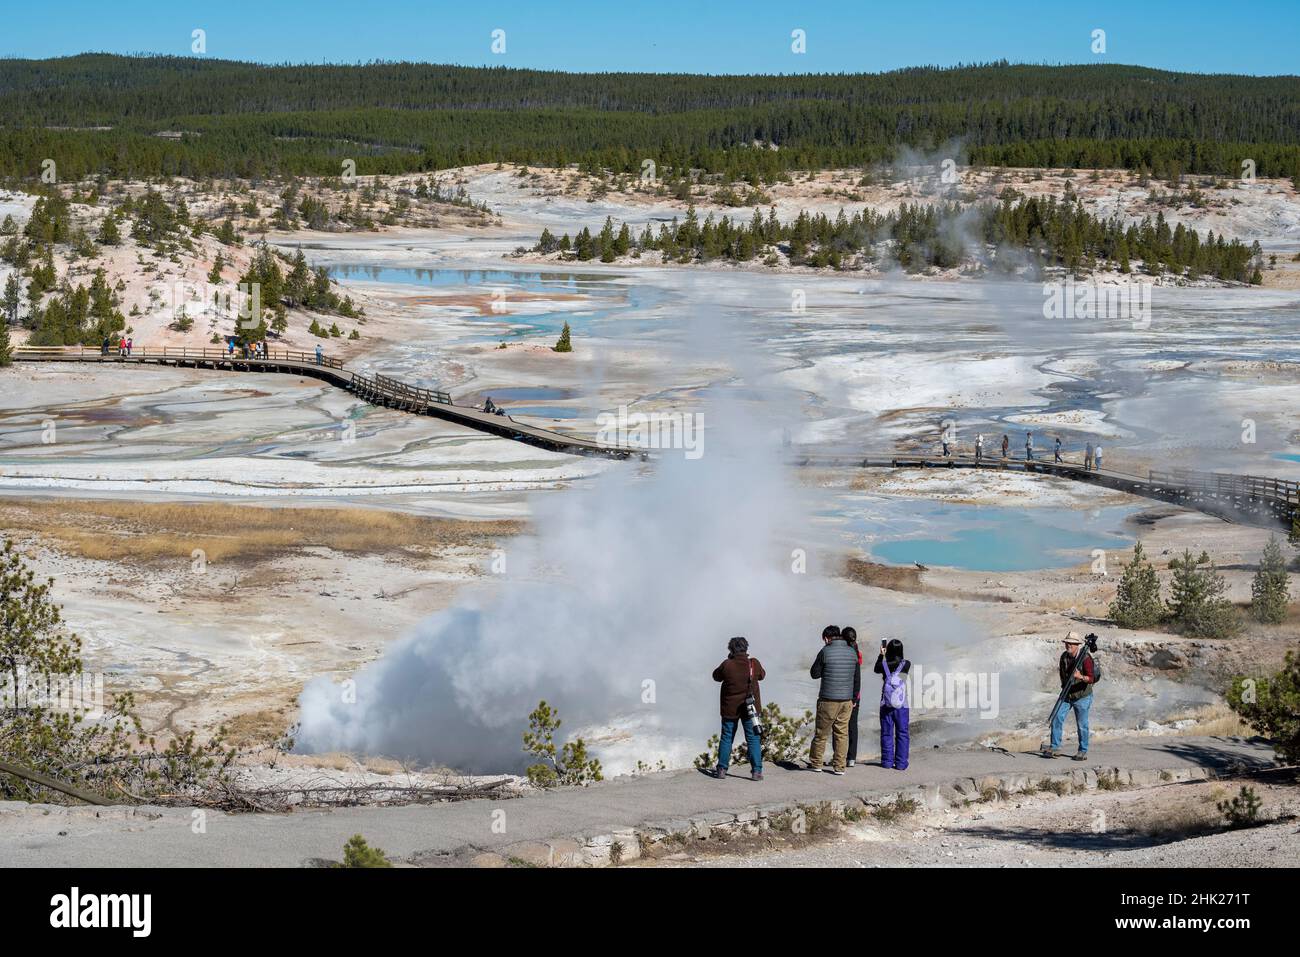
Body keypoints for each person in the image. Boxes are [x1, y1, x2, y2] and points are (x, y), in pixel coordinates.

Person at [710, 636, 765, 781]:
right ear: (746, 648)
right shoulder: (753, 664)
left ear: (731, 649)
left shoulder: (727, 664)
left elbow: (715, 676)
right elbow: (762, 676)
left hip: (730, 709)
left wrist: (729, 660)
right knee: (753, 739)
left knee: (727, 738)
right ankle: (756, 772)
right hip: (750, 709)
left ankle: (722, 769)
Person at [808, 625, 857, 775]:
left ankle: (816, 763)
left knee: (821, 733)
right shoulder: (852, 652)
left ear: (826, 638)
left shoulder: (825, 651)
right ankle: (840, 767)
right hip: (846, 700)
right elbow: (855, 677)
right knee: (842, 734)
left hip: (828, 699)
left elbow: (814, 673)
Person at [1044, 632, 1095, 761]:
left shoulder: (1086, 658)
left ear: (1077, 645)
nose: (1069, 645)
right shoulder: (1064, 657)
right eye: (1067, 643)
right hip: (1067, 694)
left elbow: (1092, 678)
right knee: (1056, 717)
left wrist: (1080, 677)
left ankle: (1082, 751)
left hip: (1082, 696)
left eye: (1072, 643)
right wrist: (1064, 690)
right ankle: (1055, 747)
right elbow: (1063, 676)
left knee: (1082, 724)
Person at [875, 638, 911, 770]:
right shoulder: (906, 664)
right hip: (902, 704)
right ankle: (901, 764)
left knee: (886, 733)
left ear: (888, 650)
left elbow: (875, 668)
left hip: (886, 704)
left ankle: (886, 762)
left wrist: (881, 654)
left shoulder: (884, 665)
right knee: (902, 733)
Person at [843, 626, 863, 768]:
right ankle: (851, 758)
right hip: (856, 695)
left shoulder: (847, 654)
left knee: (839, 727)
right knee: (852, 726)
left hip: (845, 694)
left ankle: (840, 756)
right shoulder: (857, 653)